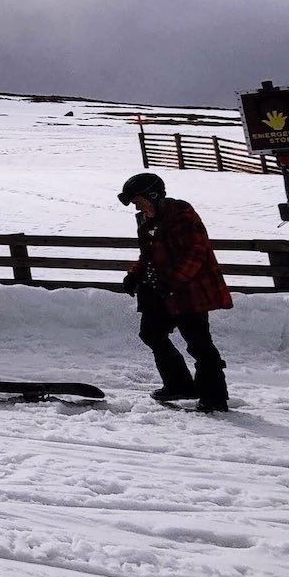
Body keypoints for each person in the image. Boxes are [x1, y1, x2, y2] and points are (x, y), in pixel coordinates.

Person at [116, 172, 233, 412]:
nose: (136, 206)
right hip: (159, 290)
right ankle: (179, 384)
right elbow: (148, 255)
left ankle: (214, 396)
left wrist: (171, 281)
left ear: (153, 196)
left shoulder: (181, 216)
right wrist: (134, 274)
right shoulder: (146, 220)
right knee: (151, 333)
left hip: (189, 291)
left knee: (199, 344)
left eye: (138, 200)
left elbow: (196, 252)